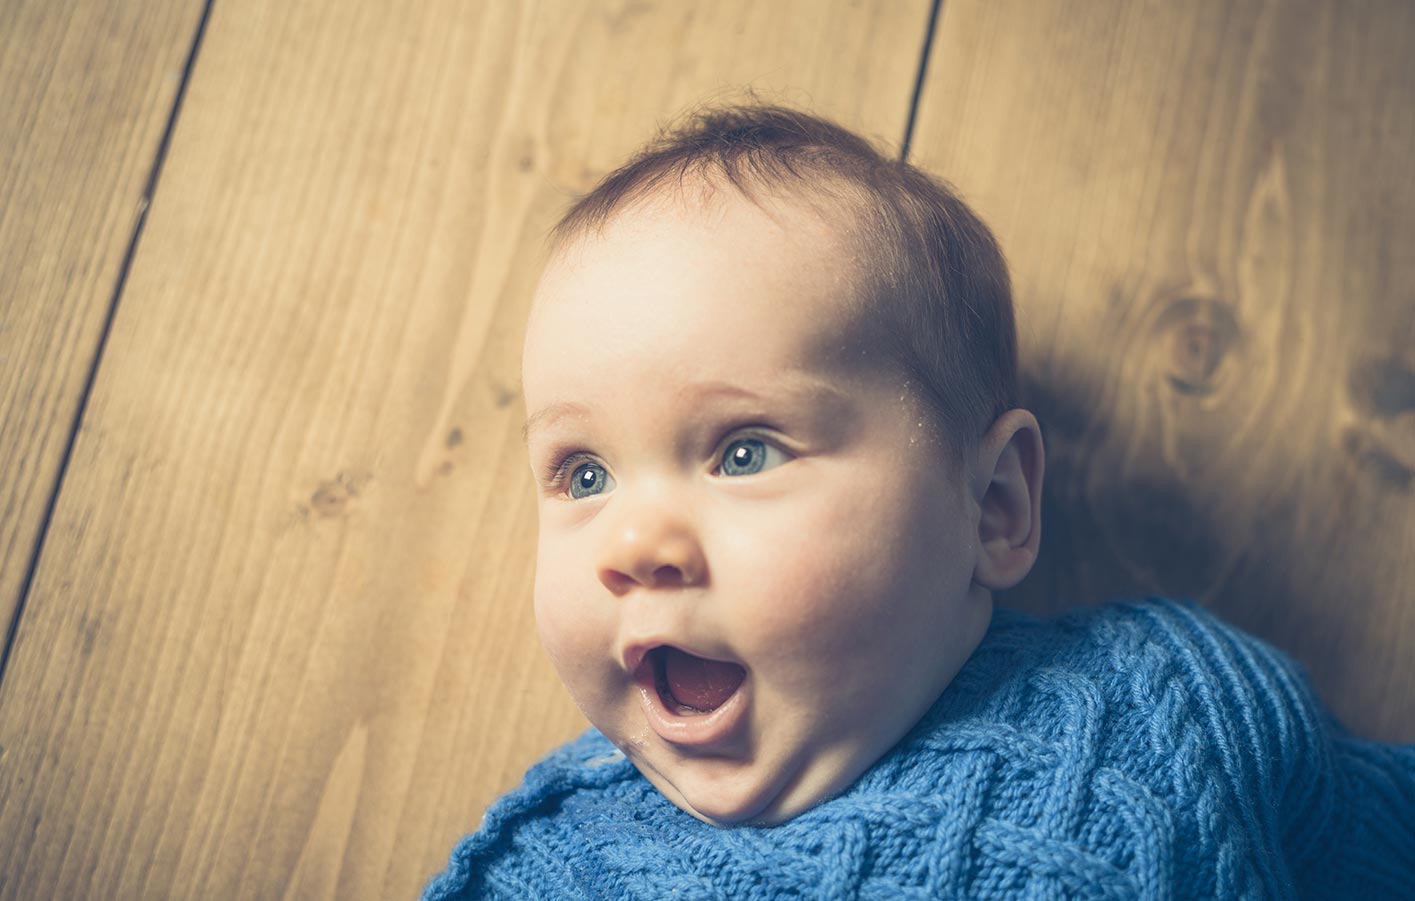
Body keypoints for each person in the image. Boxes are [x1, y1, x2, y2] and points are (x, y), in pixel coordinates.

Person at [422, 104, 1414, 899]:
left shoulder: (1174, 700)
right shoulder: (549, 869)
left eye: (743, 450)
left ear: (991, 506)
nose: (633, 542)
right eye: (582, 474)